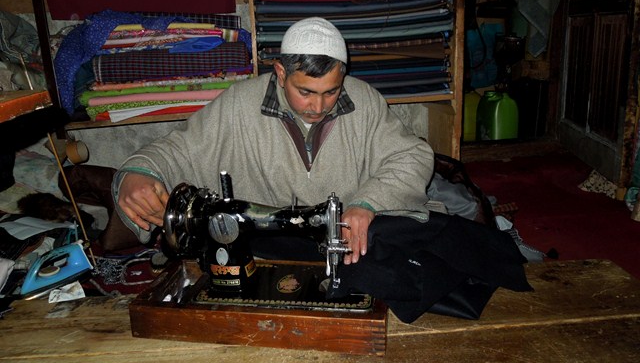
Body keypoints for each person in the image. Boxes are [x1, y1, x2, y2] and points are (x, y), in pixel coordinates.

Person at [113, 17, 434, 265]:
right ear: (280, 72)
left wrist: (367, 203)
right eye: (305, 92)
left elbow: (413, 156)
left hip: (349, 249)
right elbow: (178, 151)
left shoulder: (364, 101)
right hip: (265, 254)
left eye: (331, 91)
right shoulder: (238, 104)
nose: (319, 107)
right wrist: (140, 172)